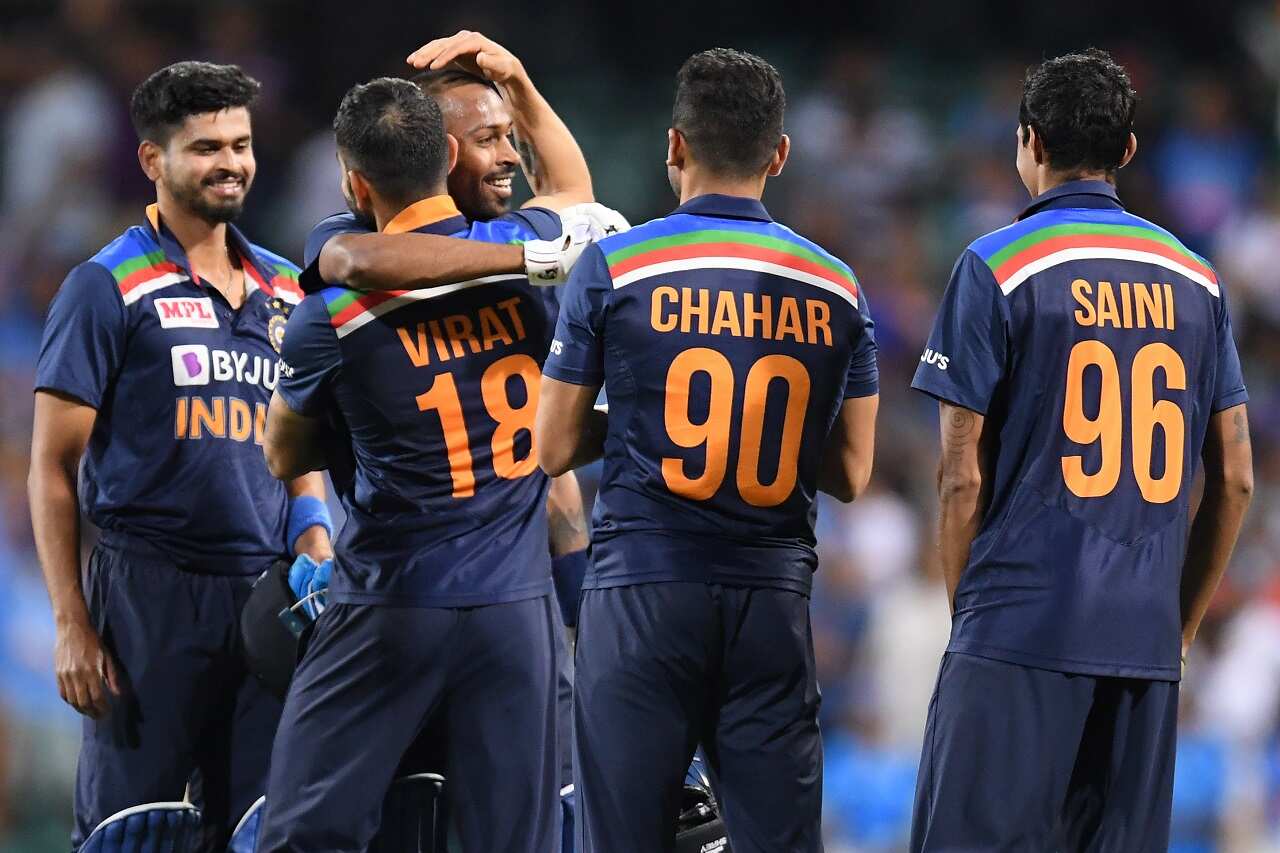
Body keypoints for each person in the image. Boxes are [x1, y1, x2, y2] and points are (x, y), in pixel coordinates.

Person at [908, 49, 1253, 851]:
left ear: (1028, 139)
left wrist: (971, 620)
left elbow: (959, 477)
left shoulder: (995, 264)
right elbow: (1235, 479)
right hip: (1144, 646)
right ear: (1127, 149)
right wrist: (1177, 627)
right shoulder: (1197, 278)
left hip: (1017, 627)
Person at [537, 48, 880, 852]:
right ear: (779, 154)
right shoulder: (837, 284)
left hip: (643, 593)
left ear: (675, 146)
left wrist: (641, 423)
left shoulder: (616, 265)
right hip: (770, 599)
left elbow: (551, 446)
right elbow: (852, 472)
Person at [27, 61, 332, 852]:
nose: (231, 163)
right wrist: (71, 625)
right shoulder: (107, 285)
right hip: (146, 599)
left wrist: (315, 535)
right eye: (206, 148)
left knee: (265, 831)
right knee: (137, 834)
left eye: (241, 144)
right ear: (152, 160)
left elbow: (300, 444)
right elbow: (52, 466)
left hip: (265, 599)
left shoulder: (286, 289)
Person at [255, 77, 563, 853]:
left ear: (355, 182)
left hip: (391, 600)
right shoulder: (533, 266)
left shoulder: (330, 312)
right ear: (450, 157)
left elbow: (283, 454)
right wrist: (516, 79)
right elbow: (571, 191)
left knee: (302, 834)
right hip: (517, 608)